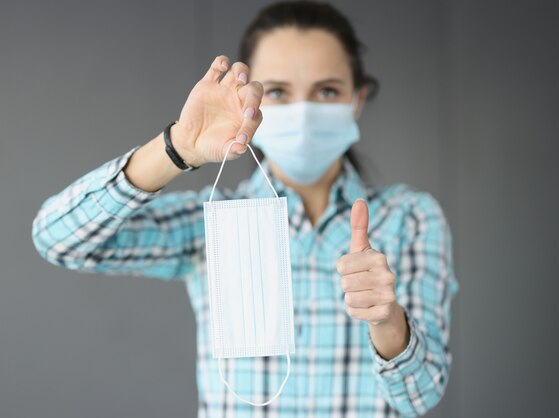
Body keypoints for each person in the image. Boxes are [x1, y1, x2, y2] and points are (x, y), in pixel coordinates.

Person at [31, 1, 459, 416]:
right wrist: (176, 148)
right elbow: (58, 240)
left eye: (326, 90)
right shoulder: (210, 222)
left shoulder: (410, 218)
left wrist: (387, 321)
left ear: (358, 97)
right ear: (248, 100)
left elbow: (419, 397)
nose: (303, 112)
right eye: (276, 91)